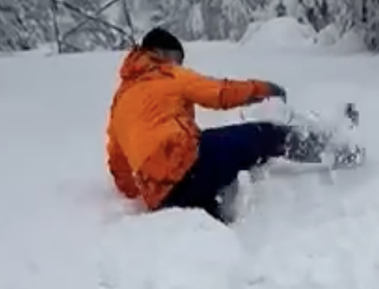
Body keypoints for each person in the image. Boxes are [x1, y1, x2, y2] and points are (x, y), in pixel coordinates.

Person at [105, 27, 328, 223]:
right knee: (265, 135)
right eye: (177, 59)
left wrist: (139, 189)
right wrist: (264, 90)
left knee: (209, 214)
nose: (180, 65)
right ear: (160, 53)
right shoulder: (168, 74)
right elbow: (220, 93)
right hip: (186, 161)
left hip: (163, 197)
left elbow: (118, 166)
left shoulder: (119, 101)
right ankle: (332, 149)